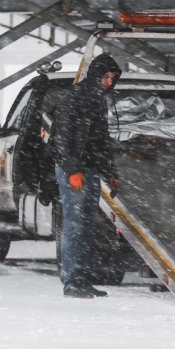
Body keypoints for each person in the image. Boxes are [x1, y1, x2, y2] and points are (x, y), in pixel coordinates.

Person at [53, 53, 123, 299]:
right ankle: (72, 282)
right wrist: (72, 169)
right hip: (75, 171)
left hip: (90, 171)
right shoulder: (74, 97)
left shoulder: (97, 101)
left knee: (86, 227)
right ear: (94, 76)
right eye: (105, 77)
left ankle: (82, 279)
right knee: (75, 226)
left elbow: (100, 141)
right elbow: (62, 135)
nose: (109, 82)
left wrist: (110, 173)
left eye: (112, 78)